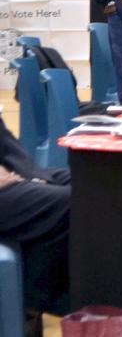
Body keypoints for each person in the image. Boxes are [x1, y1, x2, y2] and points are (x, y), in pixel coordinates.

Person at [0, 114, 71, 332]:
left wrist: (32, 176)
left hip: (10, 166)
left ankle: (29, 305)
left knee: (92, 181)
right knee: (72, 203)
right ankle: (31, 306)